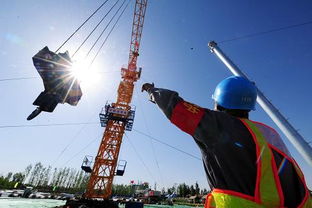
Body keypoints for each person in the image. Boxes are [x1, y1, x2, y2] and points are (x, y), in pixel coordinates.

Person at [141, 76, 311, 208]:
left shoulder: (218, 125)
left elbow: (175, 107)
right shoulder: (268, 133)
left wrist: (152, 91)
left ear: (220, 103)